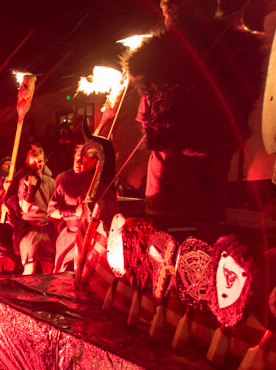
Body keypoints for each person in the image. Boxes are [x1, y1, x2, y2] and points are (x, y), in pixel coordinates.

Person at [124, 0, 264, 238]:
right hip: (213, 166)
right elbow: (243, 104)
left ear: (171, 14)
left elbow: (147, 120)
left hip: (169, 171)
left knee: (162, 240)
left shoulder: (155, 58)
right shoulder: (237, 51)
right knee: (206, 235)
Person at [48, 144, 119, 272]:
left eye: (83, 159)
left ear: (94, 162)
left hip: (92, 239)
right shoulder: (64, 181)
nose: (78, 161)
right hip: (68, 237)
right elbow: (52, 211)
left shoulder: (101, 187)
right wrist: (74, 212)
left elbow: (113, 215)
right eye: (76, 156)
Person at [5, 144, 57, 274]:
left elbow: (54, 206)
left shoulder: (51, 182)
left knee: (49, 273)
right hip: (30, 231)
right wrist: (31, 189)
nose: (37, 165)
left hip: (46, 231)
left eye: (40, 161)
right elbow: (25, 208)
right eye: (34, 162)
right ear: (28, 162)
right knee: (29, 271)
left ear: (44, 161)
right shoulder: (23, 181)